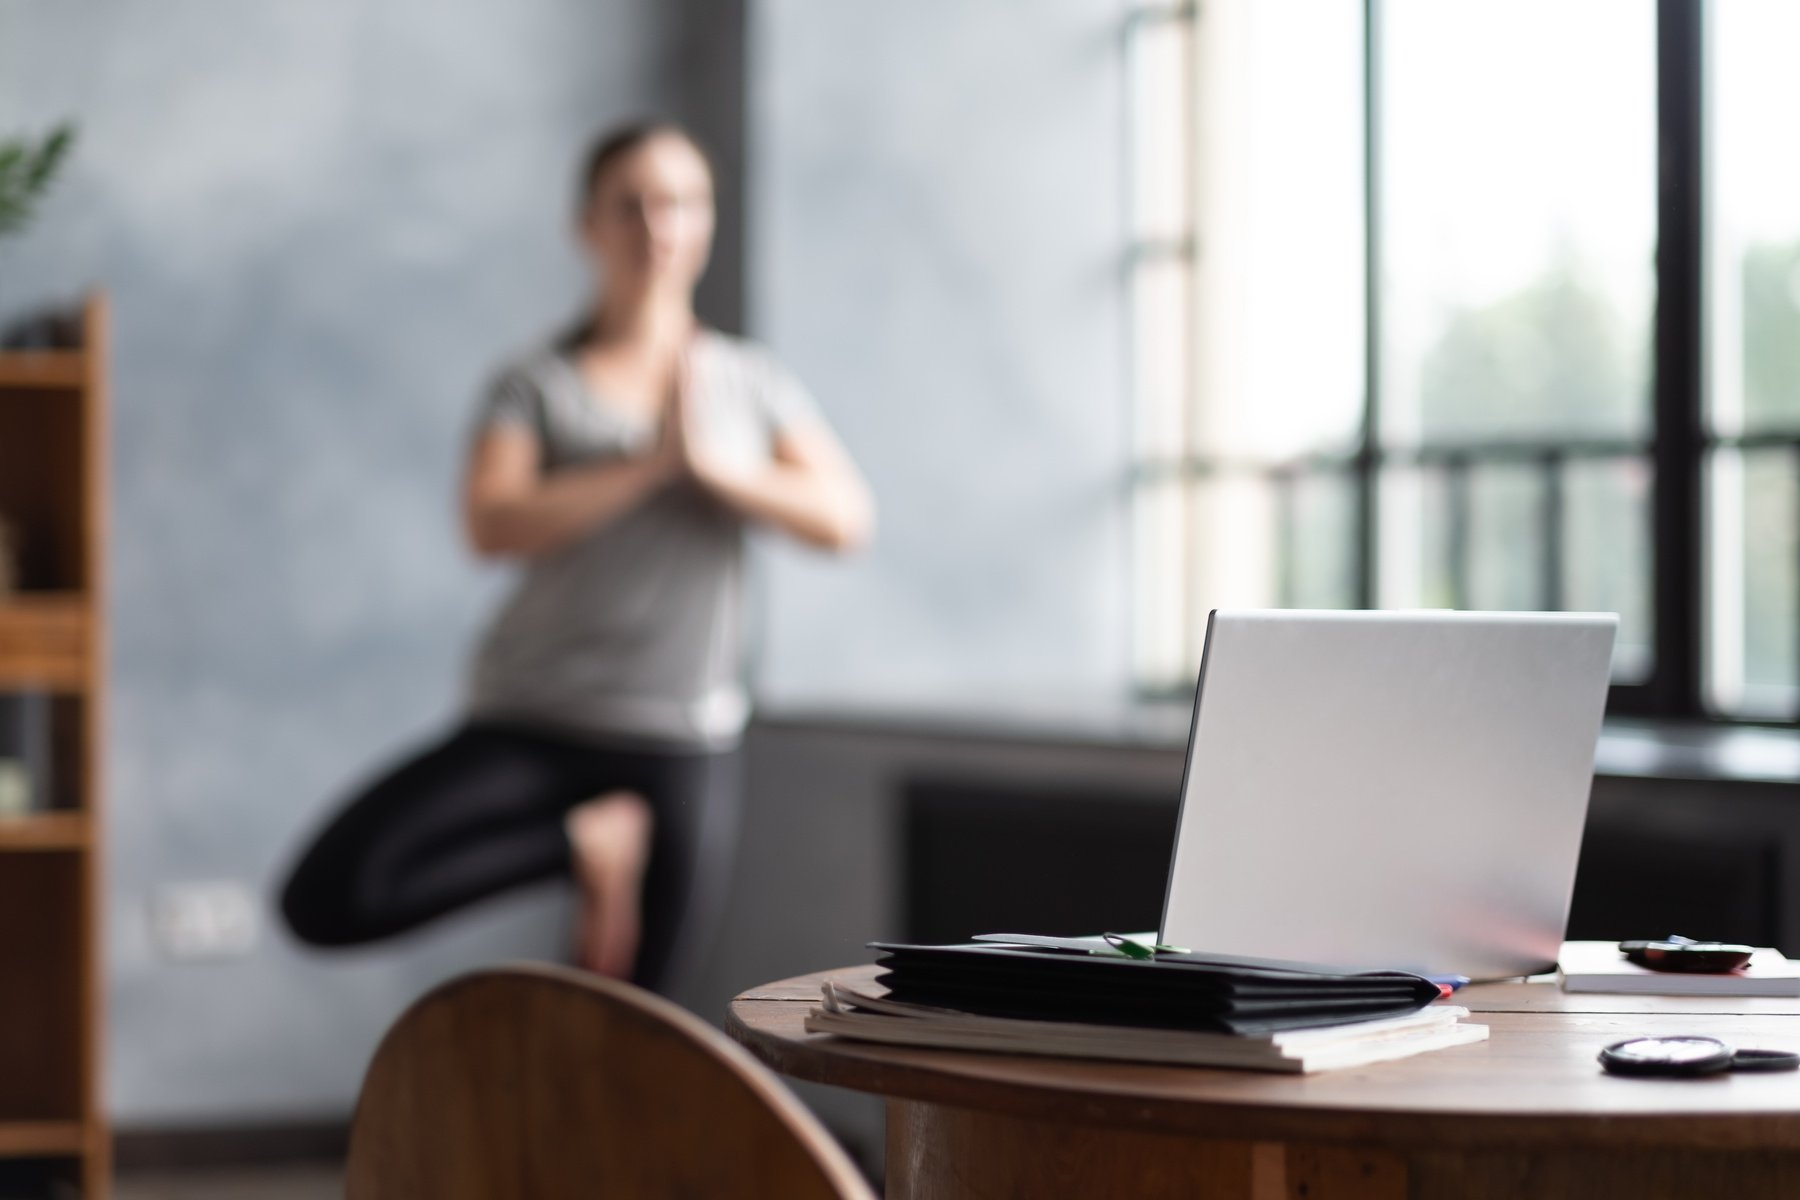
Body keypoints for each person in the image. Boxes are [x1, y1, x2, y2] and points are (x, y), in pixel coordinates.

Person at [279, 121, 873, 991]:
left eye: (678, 203)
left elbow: (844, 520)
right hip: (535, 716)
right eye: (629, 206)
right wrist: (650, 466)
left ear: (705, 223)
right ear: (586, 226)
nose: (655, 226)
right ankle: (585, 842)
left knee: (643, 1025)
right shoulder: (535, 383)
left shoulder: (750, 386)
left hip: (680, 739)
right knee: (331, 896)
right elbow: (493, 522)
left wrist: (717, 469)